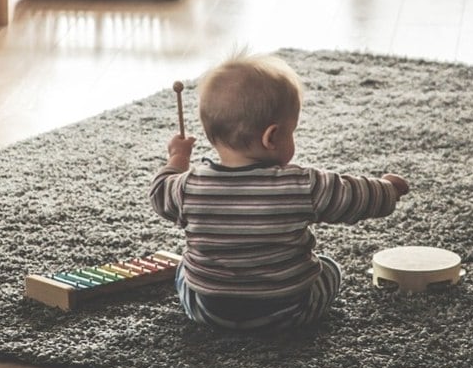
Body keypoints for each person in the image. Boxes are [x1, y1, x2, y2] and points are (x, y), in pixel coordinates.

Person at [149, 53, 409, 331]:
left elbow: (159, 192)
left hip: (208, 310)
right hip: (289, 310)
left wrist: (177, 158)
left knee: (183, 269)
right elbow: (355, 196)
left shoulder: (188, 187)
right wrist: (389, 189)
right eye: (292, 132)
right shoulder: (302, 185)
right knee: (330, 268)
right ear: (271, 137)